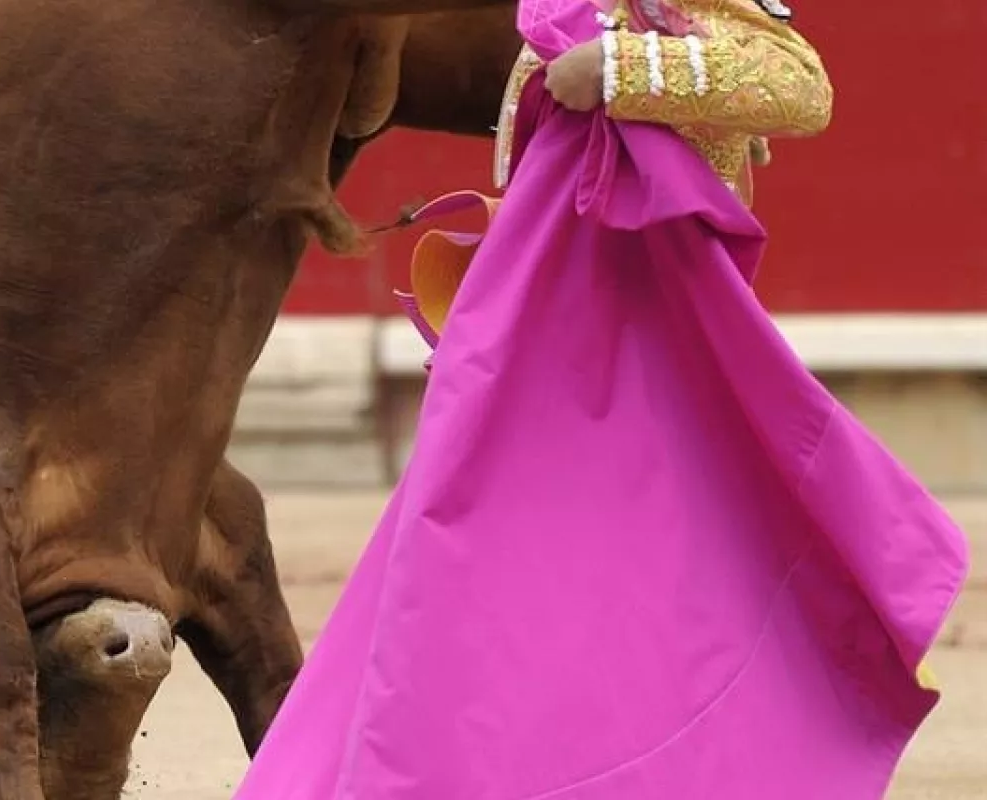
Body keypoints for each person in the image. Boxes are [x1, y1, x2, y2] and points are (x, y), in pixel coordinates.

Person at [235, 1, 969, 798]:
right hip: (546, 310)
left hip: (639, 323)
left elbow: (797, 84)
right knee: (500, 552)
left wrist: (626, 73)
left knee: (555, 555)